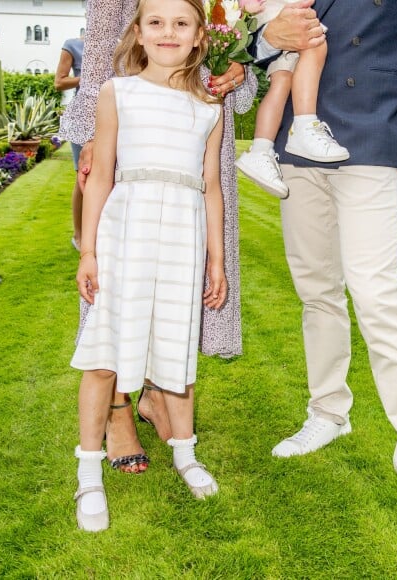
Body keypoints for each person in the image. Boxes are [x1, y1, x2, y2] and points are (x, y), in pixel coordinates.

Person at [252, 0, 397, 561]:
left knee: (378, 299)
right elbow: (267, 35)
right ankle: (327, 412)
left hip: (376, 137)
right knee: (315, 292)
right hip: (298, 141)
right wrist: (265, 36)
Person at [60, 0, 257, 473]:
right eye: (156, 24)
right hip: (128, 220)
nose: (168, 33)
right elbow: (103, 172)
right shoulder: (117, 91)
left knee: (175, 327)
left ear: (198, 36)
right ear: (141, 32)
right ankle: (107, 428)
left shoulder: (208, 108)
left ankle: (175, 431)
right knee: (112, 326)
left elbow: (213, 185)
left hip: (182, 223)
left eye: (181, 25)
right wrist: (88, 249)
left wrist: (216, 258)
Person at [235, 0, 348, 199]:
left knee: (282, 79)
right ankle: (305, 125)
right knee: (315, 43)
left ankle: (260, 150)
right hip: (281, 13)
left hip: (269, 15)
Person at [55, 33, 85, 251]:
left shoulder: (122, 41)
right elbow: (59, 82)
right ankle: (78, 235)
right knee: (83, 176)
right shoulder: (73, 45)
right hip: (82, 115)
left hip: (114, 111)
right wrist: (88, 79)